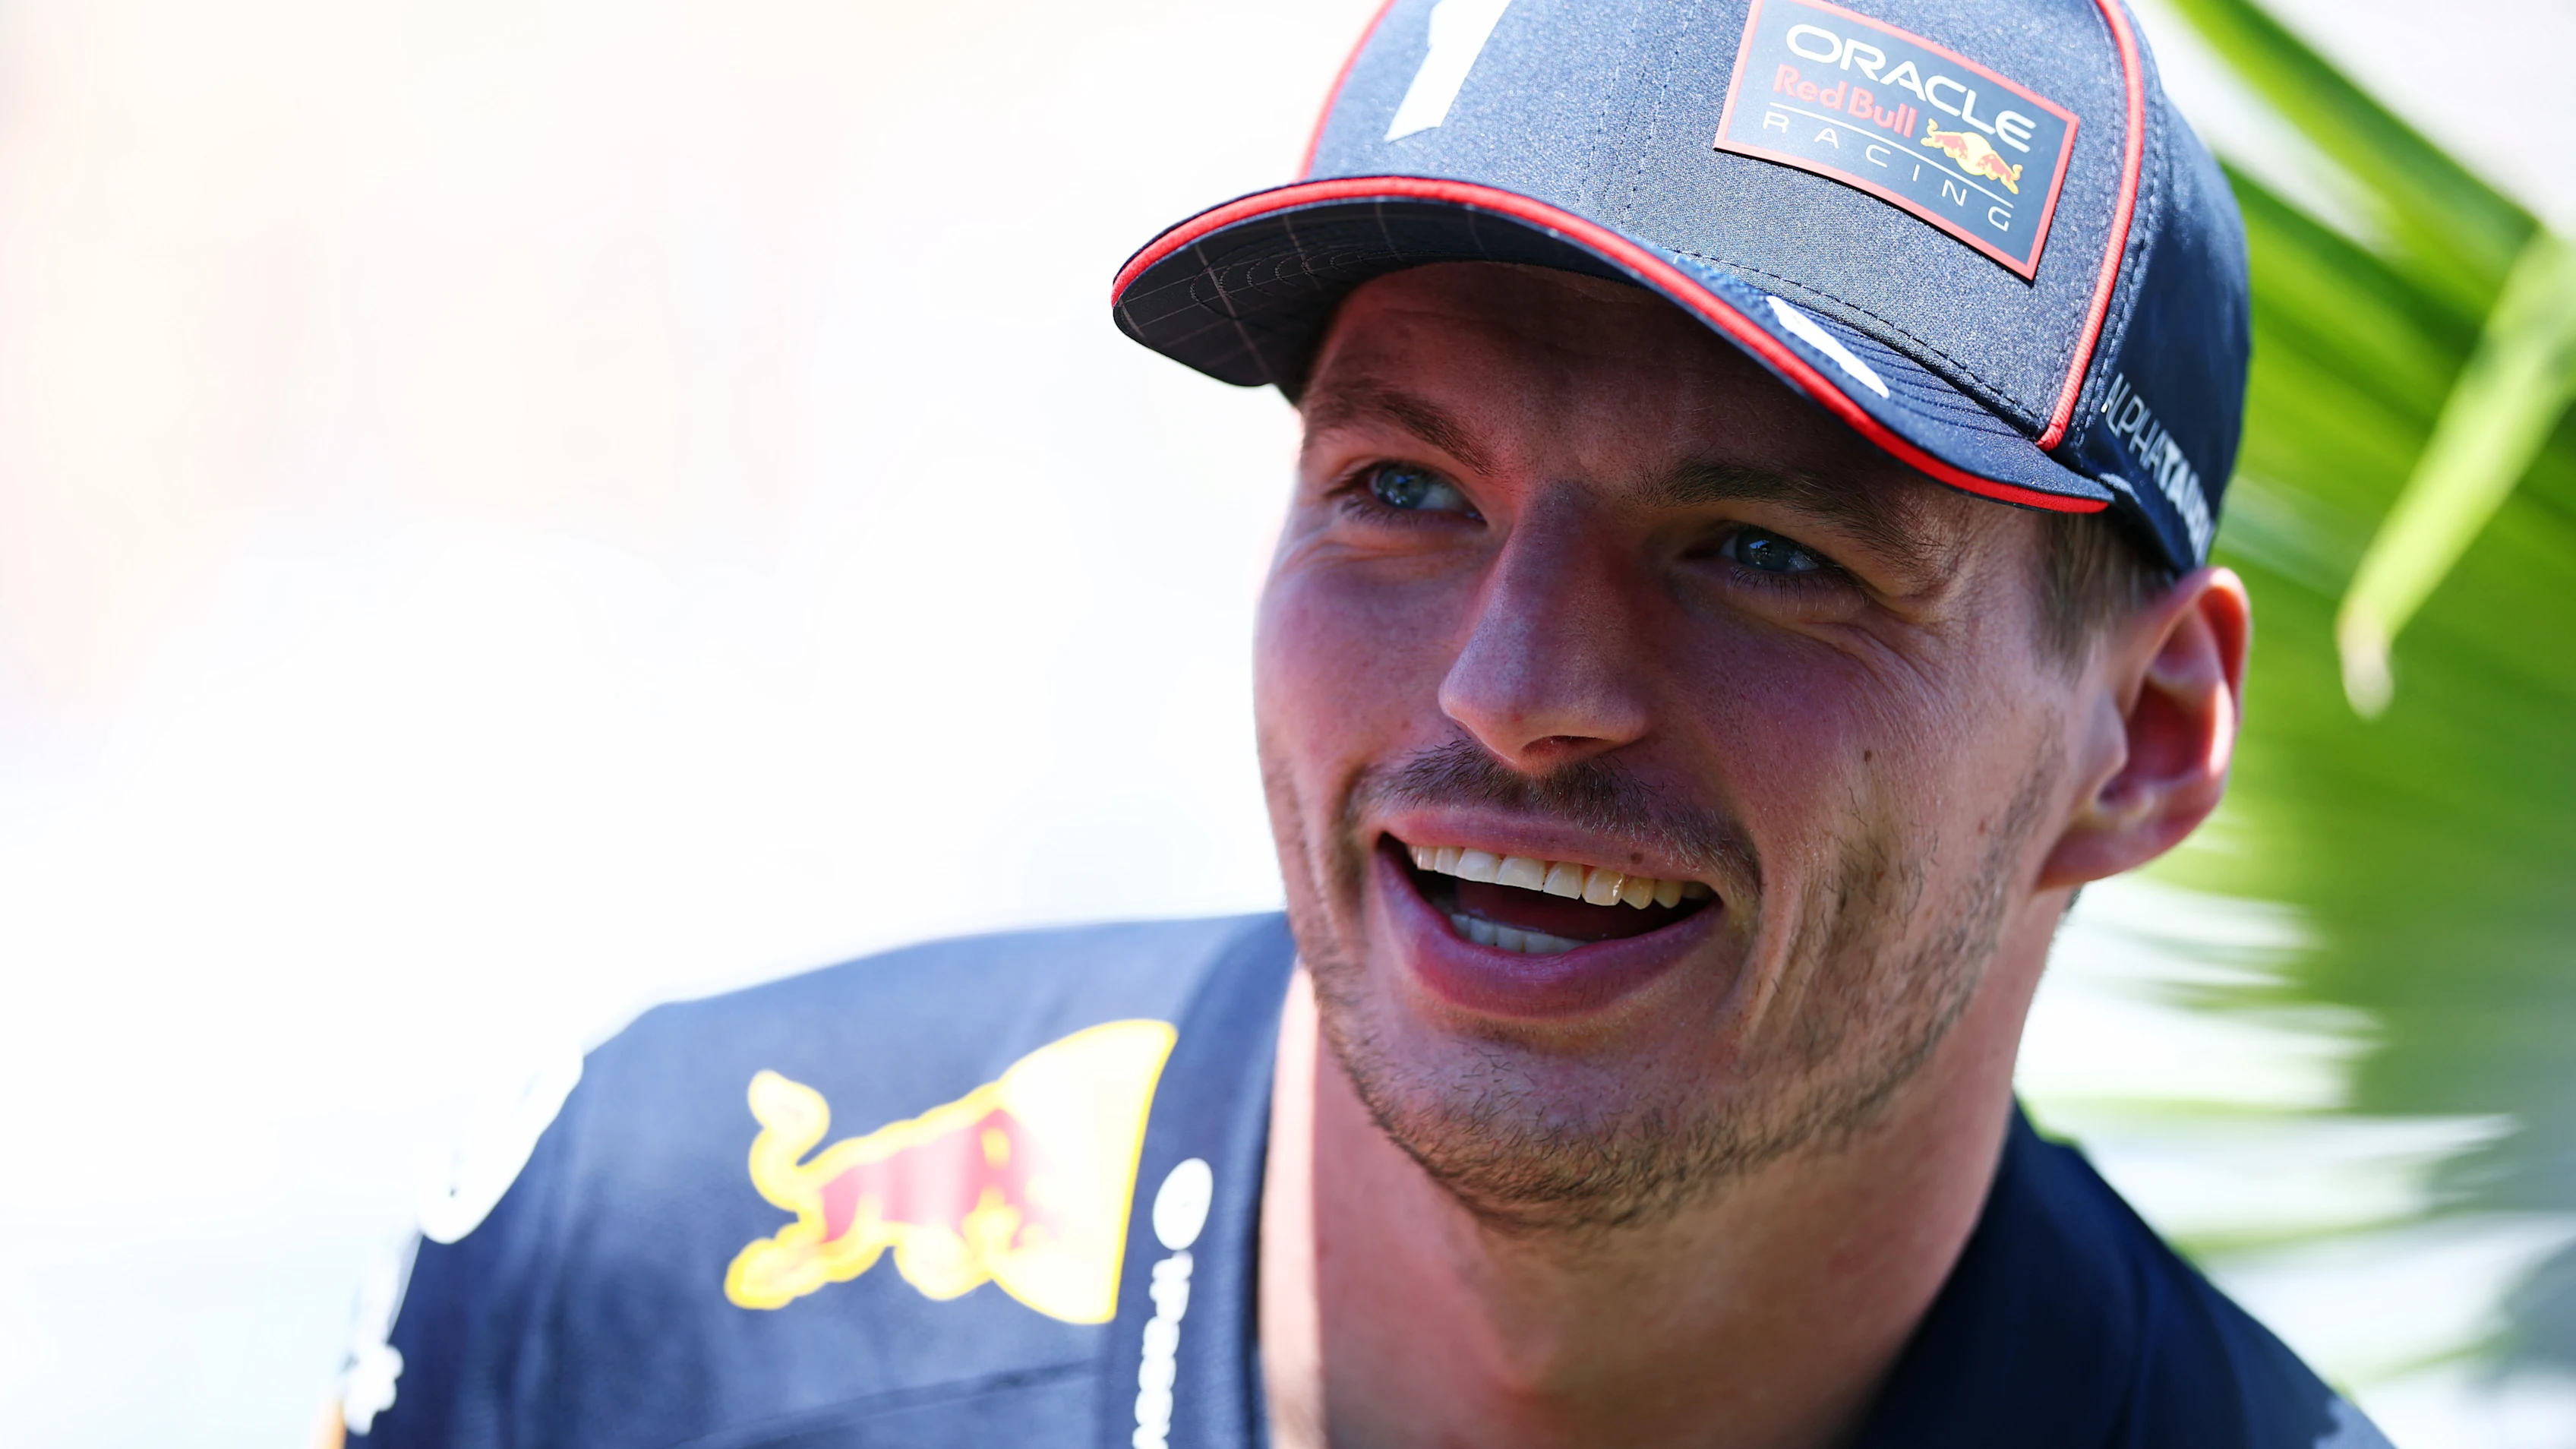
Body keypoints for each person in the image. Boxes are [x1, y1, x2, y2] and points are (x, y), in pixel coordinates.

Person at [336, 2, 2397, 1445]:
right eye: (1405, 490)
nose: (1516, 689)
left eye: (1763, 549)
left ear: (2139, 733)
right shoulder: (653, 1277)